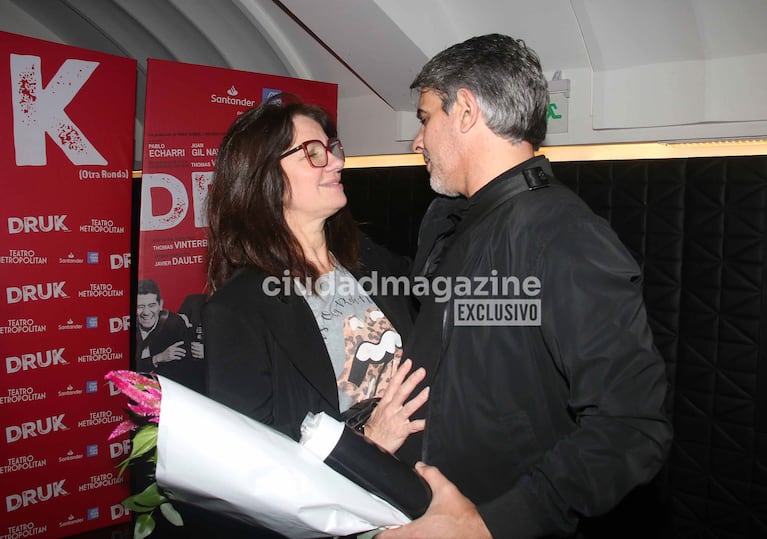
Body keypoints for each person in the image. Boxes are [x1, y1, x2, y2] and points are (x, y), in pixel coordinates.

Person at [380, 34, 673, 539]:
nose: (417, 141)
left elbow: (632, 427)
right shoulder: (450, 219)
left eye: (426, 117)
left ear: (466, 110)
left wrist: (492, 524)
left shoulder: (564, 236)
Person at [202, 94, 428, 491]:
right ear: (264, 177)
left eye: (331, 149)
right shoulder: (237, 308)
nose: (337, 162)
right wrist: (368, 442)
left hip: (425, 483)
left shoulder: (368, 259)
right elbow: (249, 456)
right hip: (353, 503)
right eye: (313, 152)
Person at [134, 278, 203, 391]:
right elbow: (124, 371)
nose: (146, 312)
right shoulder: (125, 327)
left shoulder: (174, 324)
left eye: (151, 305)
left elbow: (186, 371)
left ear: (160, 305)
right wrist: (158, 358)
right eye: (140, 307)